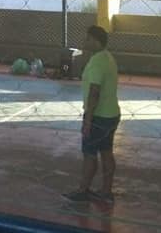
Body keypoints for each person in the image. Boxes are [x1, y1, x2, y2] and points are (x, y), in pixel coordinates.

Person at [63, 26, 121, 204]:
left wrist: (88, 120)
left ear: (96, 41)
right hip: (111, 114)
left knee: (89, 154)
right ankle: (106, 191)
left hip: (98, 117)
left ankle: (83, 190)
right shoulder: (108, 57)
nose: (85, 42)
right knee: (106, 152)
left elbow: (94, 92)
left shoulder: (97, 62)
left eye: (88, 39)